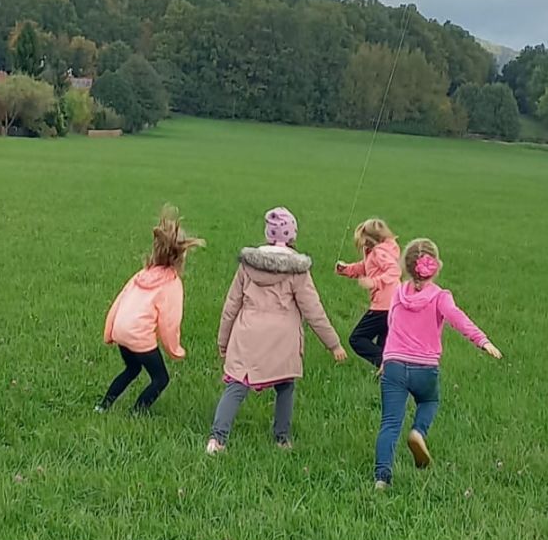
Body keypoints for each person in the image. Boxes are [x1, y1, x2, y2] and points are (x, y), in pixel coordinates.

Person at [207, 206, 346, 452]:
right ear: (292, 235)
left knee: (237, 385)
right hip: (282, 341)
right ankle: (282, 439)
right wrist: (333, 344)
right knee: (285, 386)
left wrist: (223, 342)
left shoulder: (248, 265)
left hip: (247, 335)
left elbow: (231, 306)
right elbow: (314, 311)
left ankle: (217, 440)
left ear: (268, 234)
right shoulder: (297, 269)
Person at [374, 237, 501, 489]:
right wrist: (482, 341)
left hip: (394, 365)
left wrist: (385, 359)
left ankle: (381, 478)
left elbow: (392, 325)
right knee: (429, 401)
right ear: (435, 266)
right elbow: (457, 318)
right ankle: (418, 432)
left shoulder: (398, 292)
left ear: (407, 266)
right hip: (424, 367)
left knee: (389, 423)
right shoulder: (440, 296)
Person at [98, 207, 204, 414]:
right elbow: (169, 322)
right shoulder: (171, 283)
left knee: (132, 369)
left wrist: (109, 332)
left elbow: (120, 301)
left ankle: (102, 407)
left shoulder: (142, 274)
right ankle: (136, 413)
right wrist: (174, 349)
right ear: (180, 257)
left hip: (121, 331)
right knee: (161, 379)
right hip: (139, 336)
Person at [335, 218, 401, 367]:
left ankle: (388, 364)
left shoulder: (379, 252)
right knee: (384, 345)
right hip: (394, 305)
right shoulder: (378, 251)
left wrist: (374, 282)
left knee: (357, 338)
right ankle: (388, 372)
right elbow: (365, 266)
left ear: (370, 238)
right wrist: (346, 270)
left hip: (383, 306)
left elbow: (394, 270)